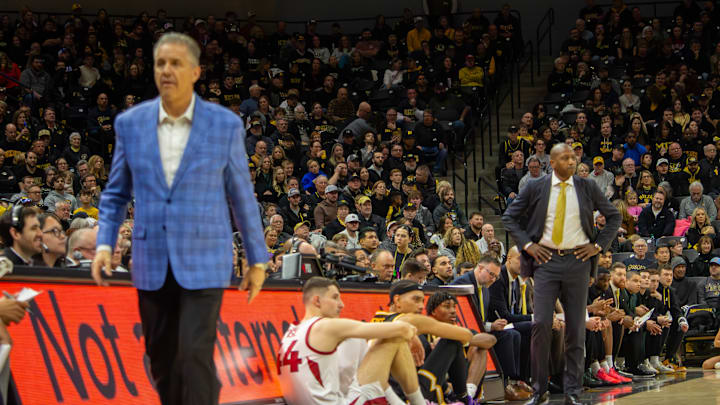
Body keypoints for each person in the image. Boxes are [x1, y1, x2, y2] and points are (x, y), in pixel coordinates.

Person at [91, 33, 268, 405]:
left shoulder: (225, 125)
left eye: (175, 63)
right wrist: (104, 243)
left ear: (195, 71)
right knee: (162, 358)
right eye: (160, 63)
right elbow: (116, 192)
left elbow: (241, 196)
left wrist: (257, 258)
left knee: (193, 353)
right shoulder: (130, 123)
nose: (167, 70)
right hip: (150, 258)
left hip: (206, 258)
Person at [502, 143, 621, 405]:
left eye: (573, 157)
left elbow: (614, 216)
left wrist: (598, 246)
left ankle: (572, 393)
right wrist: (529, 245)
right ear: (552, 163)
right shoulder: (535, 186)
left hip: (578, 261)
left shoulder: (587, 186)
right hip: (545, 261)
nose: (572, 161)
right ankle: (539, 389)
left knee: (576, 330)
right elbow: (509, 217)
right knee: (542, 324)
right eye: (565, 158)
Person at [278, 277, 424, 405]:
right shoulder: (325, 326)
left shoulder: (291, 333)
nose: (341, 304)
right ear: (317, 300)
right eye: (335, 297)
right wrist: (410, 333)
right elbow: (402, 330)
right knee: (393, 336)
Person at [451, 255, 532, 401]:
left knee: (514, 334)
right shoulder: (462, 284)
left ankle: (513, 380)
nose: (493, 279)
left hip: (482, 329)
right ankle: (506, 384)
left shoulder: (485, 288)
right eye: (491, 274)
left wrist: (492, 325)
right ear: (480, 268)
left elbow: (483, 319)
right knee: (508, 336)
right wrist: (489, 326)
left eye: (496, 276)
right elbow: (464, 317)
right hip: (464, 330)